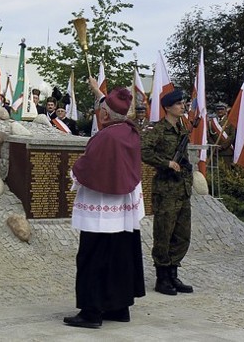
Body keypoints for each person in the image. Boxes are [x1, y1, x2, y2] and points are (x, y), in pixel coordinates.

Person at [63, 86, 145, 329]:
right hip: (123, 211)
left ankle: (91, 312)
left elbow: (88, 168)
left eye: (101, 111)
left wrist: (74, 170)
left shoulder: (106, 136)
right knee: (119, 256)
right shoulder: (129, 131)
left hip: (100, 209)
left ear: (106, 115)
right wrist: (99, 92)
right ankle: (118, 307)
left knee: (93, 257)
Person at [141, 89, 194, 296]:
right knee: (164, 233)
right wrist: (166, 163)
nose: (183, 106)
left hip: (182, 189)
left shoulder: (181, 129)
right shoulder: (158, 129)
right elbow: (143, 151)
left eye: (183, 103)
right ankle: (162, 277)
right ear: (168, 107)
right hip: (166, 190)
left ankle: (173, 273)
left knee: (182, 235)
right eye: (179, 104)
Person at [208, 101, 235, 167]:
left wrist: (222, 146)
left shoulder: (230, 121)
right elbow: (208, 135)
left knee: (226, 172)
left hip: (227, 152)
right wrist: (214, 145)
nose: (220, 111)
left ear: (225, 110)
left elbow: (232, 136)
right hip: (215, 152)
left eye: (222, 109)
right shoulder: (211, 122)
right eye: (218, 109)